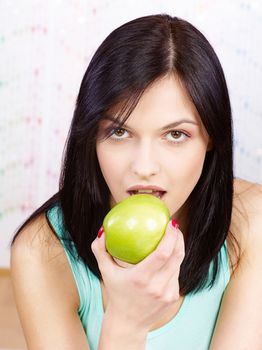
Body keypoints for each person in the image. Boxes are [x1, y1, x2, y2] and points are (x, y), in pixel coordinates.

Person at [10, 13, 262, 350]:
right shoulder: (42, 251)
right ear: (91, 136)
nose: (144, 167)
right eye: (119, 131)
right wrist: (127, 321)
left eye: (175, 134)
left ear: (211, 137)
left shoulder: (251, 220)